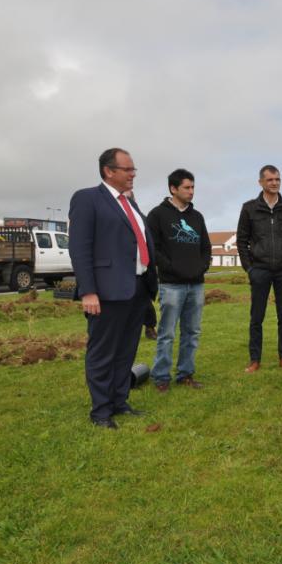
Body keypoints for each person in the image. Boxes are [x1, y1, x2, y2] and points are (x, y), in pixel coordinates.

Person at [68, 148, 156, 429]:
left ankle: (119, 402)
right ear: (108, 171)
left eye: (133, 169)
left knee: (126, 350)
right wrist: (88, 291)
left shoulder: (130, 203)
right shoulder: (87, 199)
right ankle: (101, 411)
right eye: (128, 169)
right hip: (106, 291)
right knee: (103, 352)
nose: (133, 174)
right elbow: (80, 248)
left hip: (137, 288)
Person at [145, 168, 212, 392]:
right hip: (171, 284)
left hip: (196, 285)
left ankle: (185, 374)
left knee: (192, 333)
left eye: (193, 187)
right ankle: (161, 377)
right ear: (173, 189)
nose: (191, 191)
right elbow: (153, 249)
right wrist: (173, 268)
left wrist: (201, 267)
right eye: (187, 187)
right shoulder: (157, 215)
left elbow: (205, 247)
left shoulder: (197, 217)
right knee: (167, 334)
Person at [236, 165, 282, 372]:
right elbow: (242, 241)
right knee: (257, 317)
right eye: (270, 180)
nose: (274, 183)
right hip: (260, 270)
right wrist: (250, 269)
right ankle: (254, 360)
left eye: (277, 179)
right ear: (261, 182)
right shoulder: (249, 208)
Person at [126, 189, 158, 340]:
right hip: (123, 269)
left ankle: (150, 327)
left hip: (142, 271)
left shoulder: (142, 218)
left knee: (145, 304)